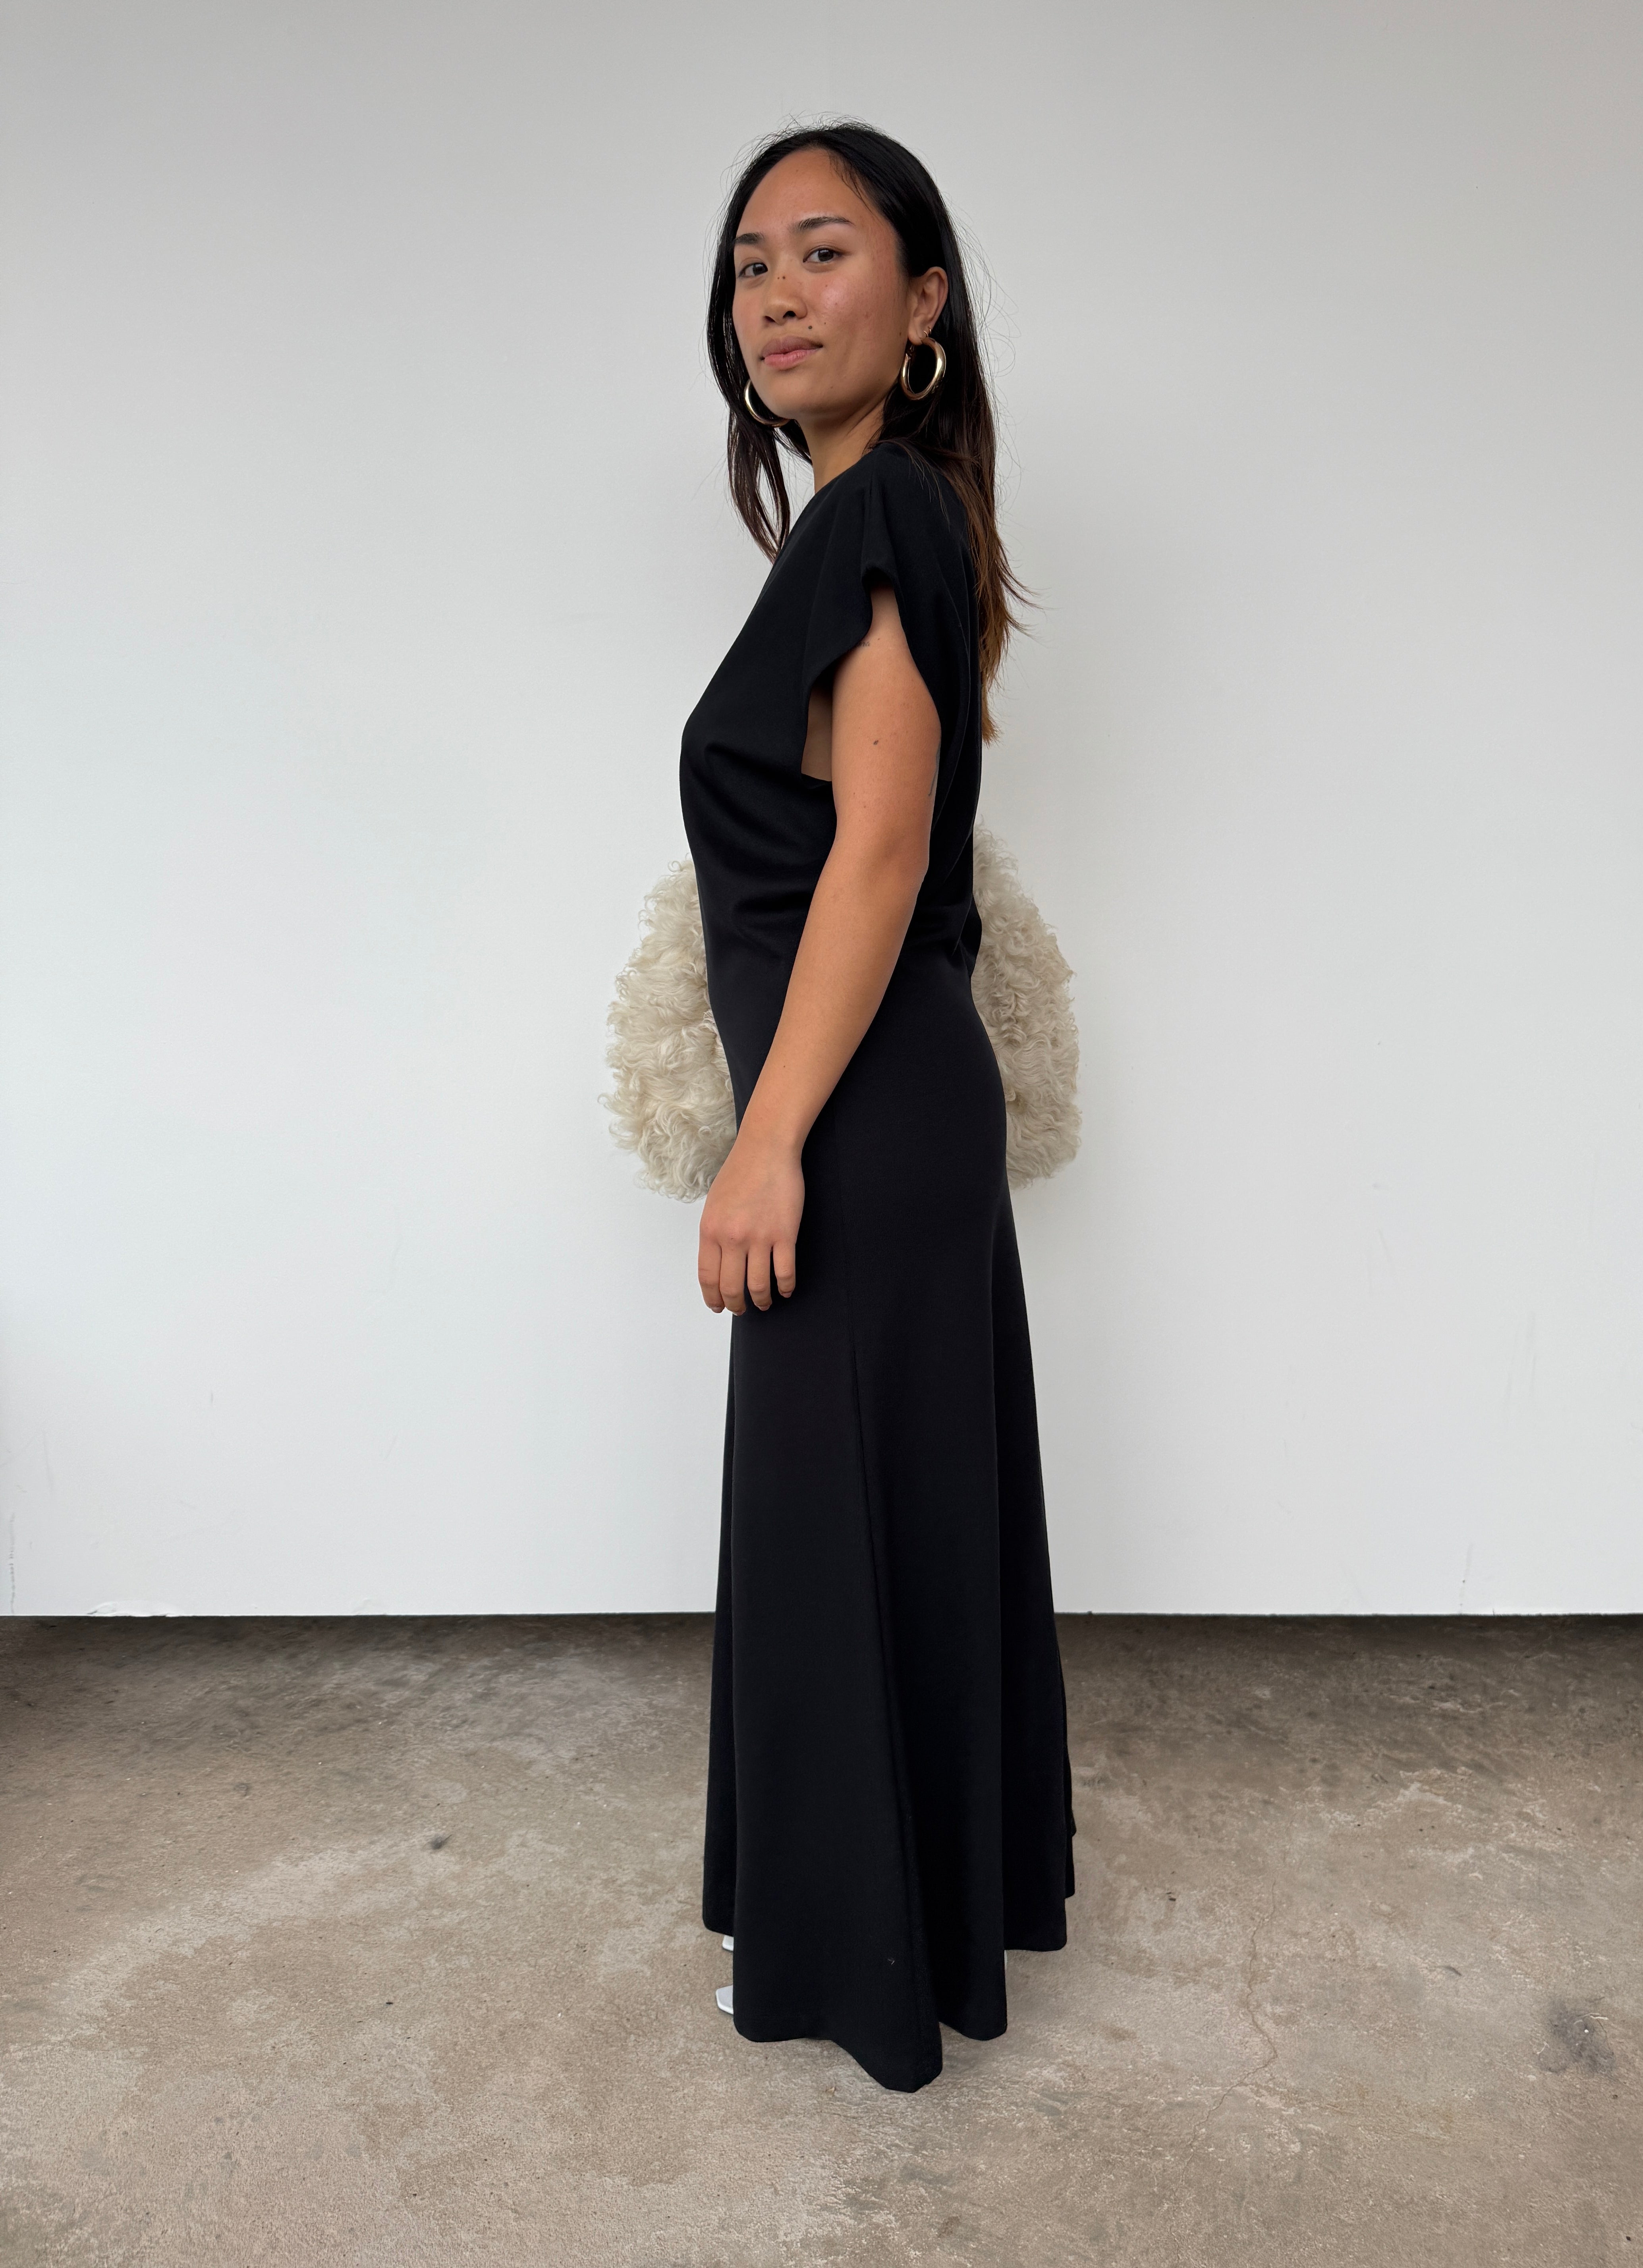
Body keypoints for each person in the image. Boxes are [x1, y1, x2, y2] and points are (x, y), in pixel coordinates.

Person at [678, 121, 1075, 2095]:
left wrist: (767, 1142)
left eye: (822, 253)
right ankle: (897, 1928)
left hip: (857, 1113)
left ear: (923, 304)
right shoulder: (868, 522)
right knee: (865, 1514)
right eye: (751, 263)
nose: (775, 294)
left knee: (839, 1517)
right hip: (876, 1099)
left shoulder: (883, 513)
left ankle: (869, 1961)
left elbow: (885, 847)